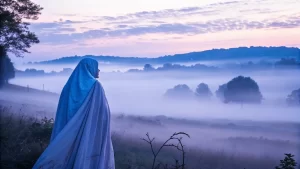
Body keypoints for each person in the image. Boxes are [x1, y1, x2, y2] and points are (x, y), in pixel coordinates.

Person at [32, 58, 115, 169]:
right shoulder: (96, 86)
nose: (99, 70)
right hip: (90, 129)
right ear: (89, 68)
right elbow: (101, 112)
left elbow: (63, 112)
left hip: (67, 126)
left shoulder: (69, 87)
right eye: (96, 67)